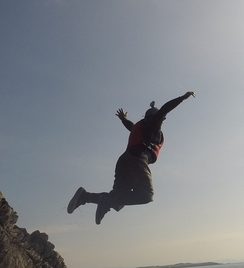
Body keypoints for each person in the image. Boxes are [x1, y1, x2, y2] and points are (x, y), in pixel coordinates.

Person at [67, 91, 195, 224]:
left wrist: (123, 119)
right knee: (146, 195)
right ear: (156, 118)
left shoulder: (143, 127)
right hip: (137, 161)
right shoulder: (153, 124)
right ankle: (105, 201)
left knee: (118, 197)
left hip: (124, 161)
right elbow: (164, 109)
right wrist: (182, 98)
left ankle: (84, 196)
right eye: (161, 119)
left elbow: (131, 126)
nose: (162, 121)